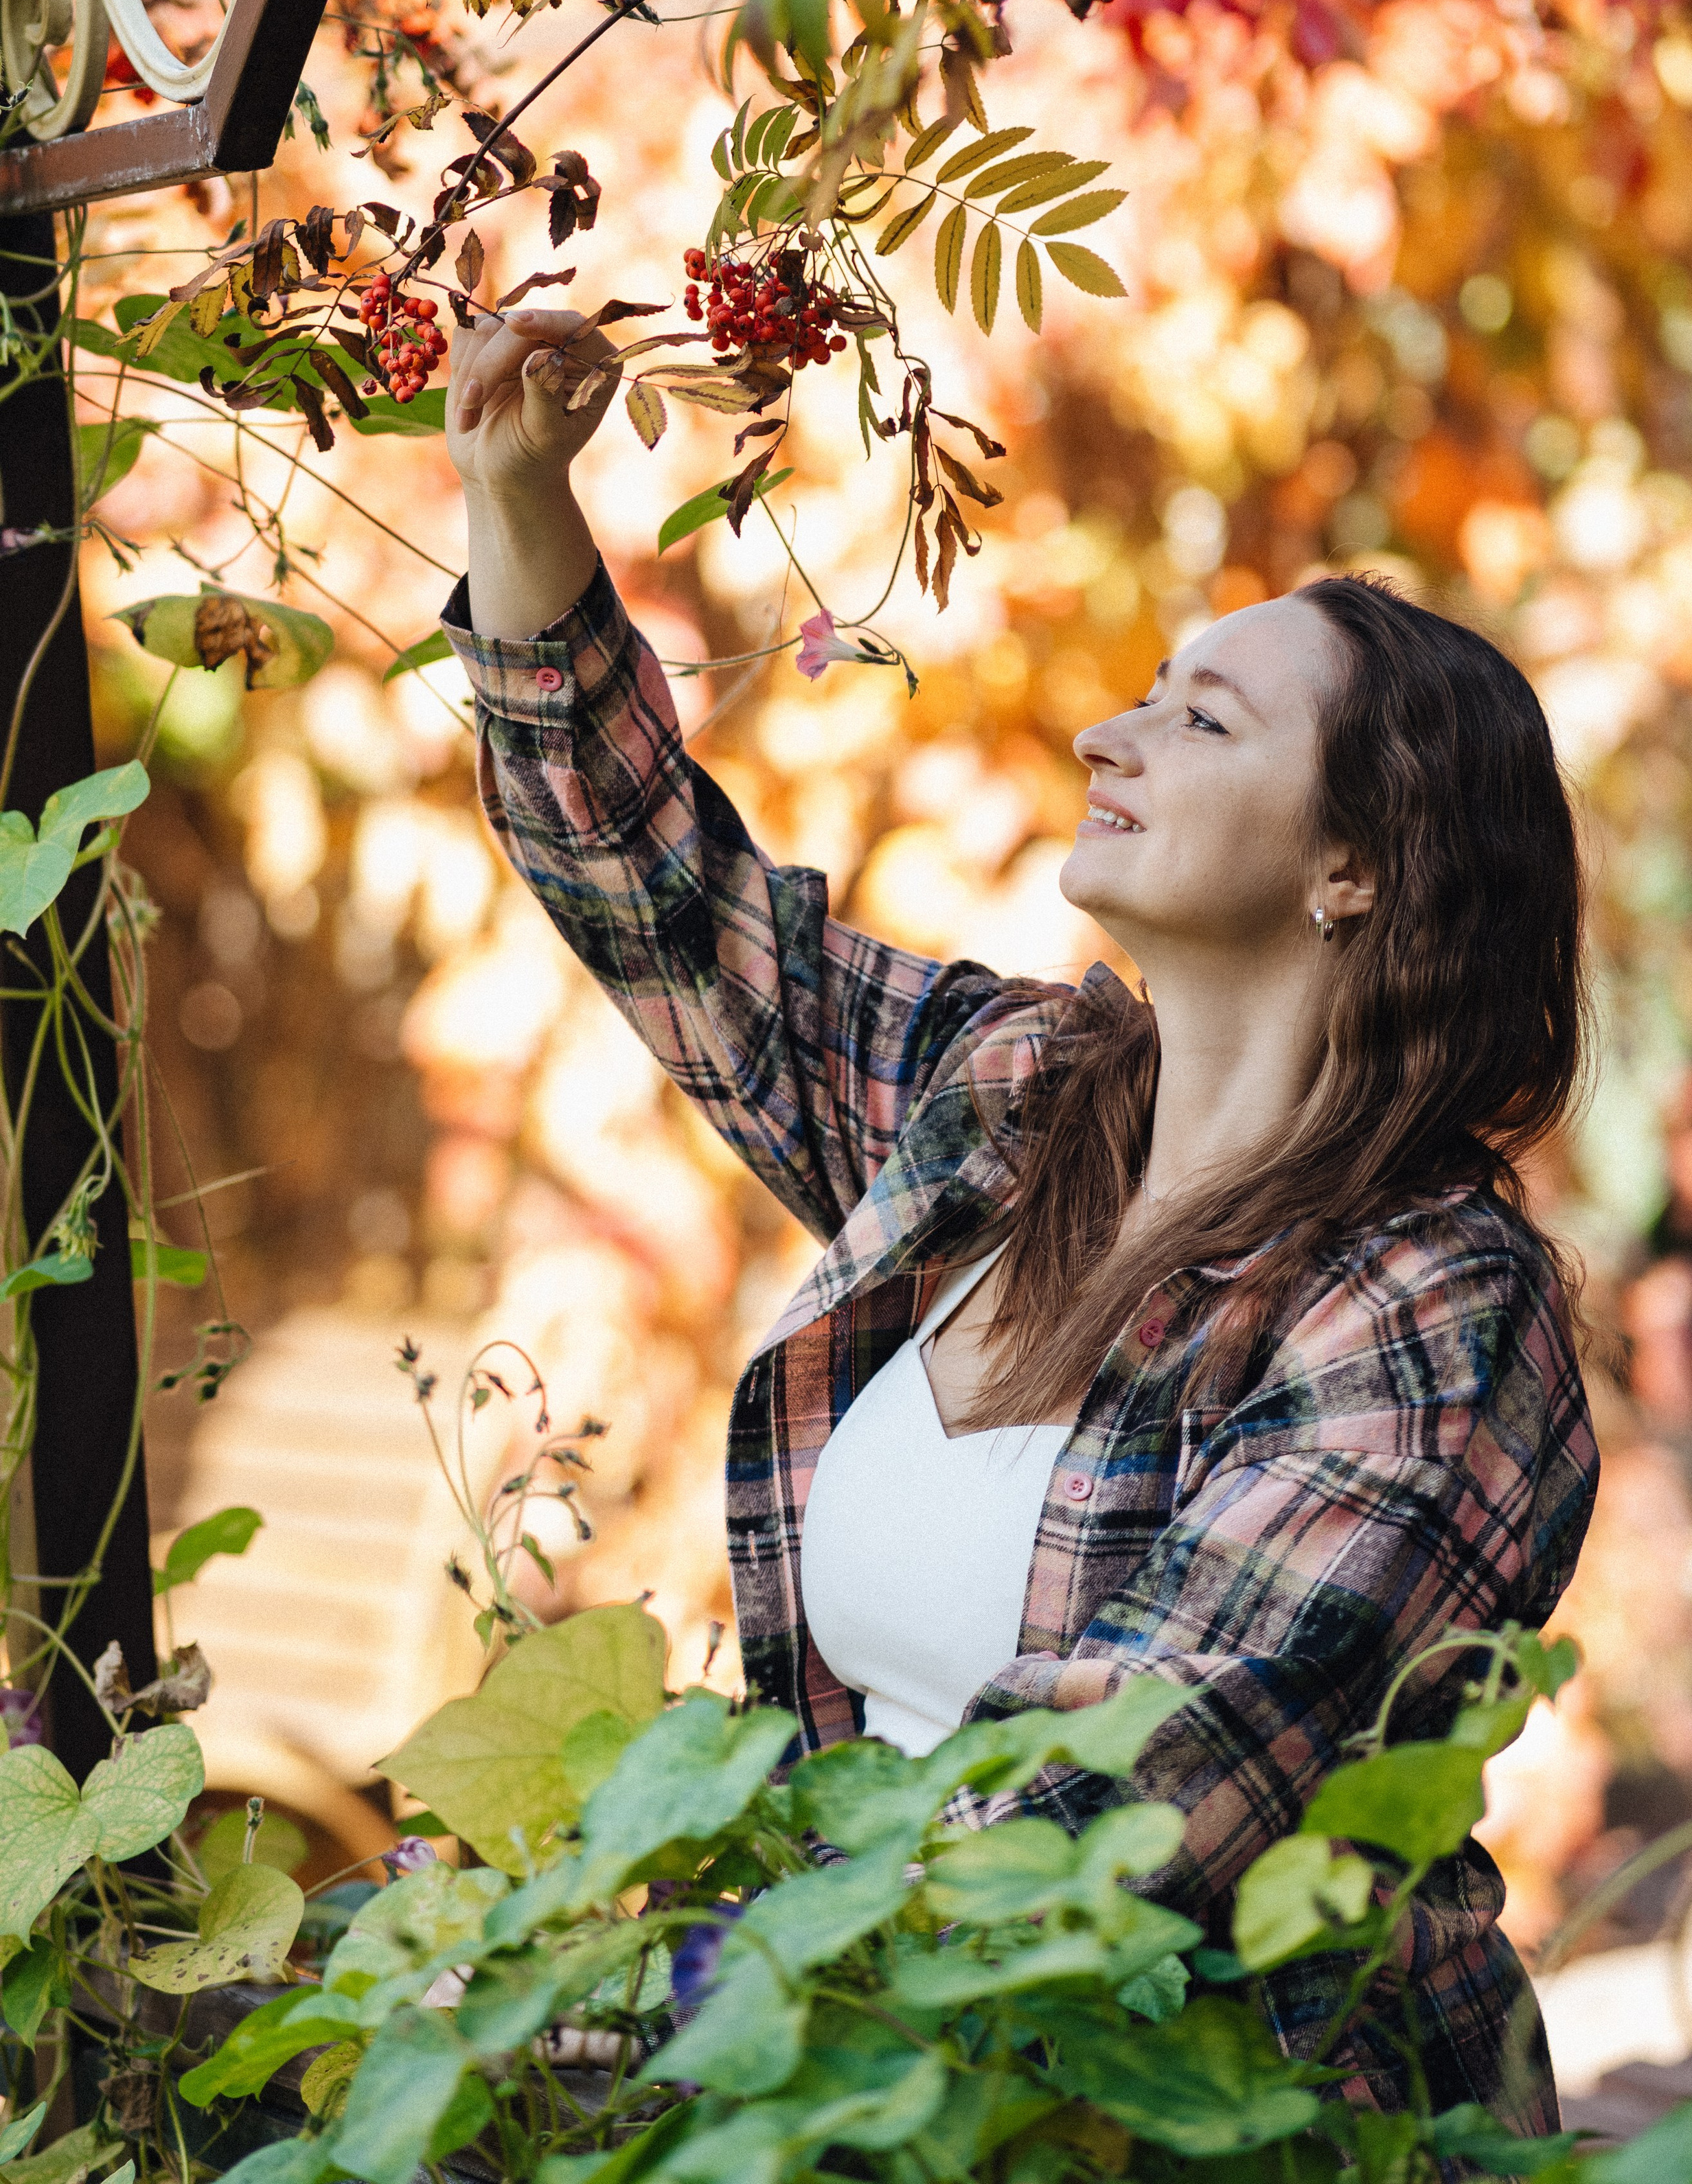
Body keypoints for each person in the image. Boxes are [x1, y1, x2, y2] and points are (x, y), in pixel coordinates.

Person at [440, 303, 1599, 2133]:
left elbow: (1129, 1790)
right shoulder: (1017, 1101)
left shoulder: (1431, 1307)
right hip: (871, 2075)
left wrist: (667, 1977)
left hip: (1217, 2134)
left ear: (1357, 865)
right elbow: (668, 909)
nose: (1101, 734)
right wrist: (517, 501)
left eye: (1201, 718)